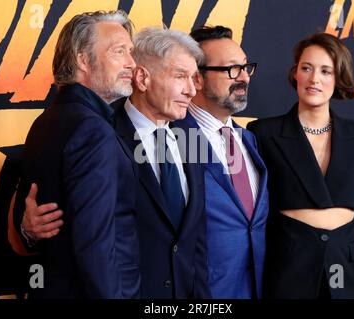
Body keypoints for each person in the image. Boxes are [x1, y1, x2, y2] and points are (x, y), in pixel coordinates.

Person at [19, 27, 210, 299]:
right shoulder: (98, 131)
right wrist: (27, 229)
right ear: (142, 78)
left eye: (194, 78)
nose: (192, 90)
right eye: (181, 76)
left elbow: (196, 242)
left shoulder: (191, 137)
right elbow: (70, 226)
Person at [247, 32, 354, 298]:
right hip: (289, 271)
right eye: (307, 68)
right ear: (295, 74)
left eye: (326, 71)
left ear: (338, 78)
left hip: (344, 270)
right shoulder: (263, 133)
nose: (315, 79)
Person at [13, 10, 140, 298]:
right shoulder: (91, 129)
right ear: (83, 59)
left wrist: (26, 230)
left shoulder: (46, 121)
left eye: (130, 52)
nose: (132, 63)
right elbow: (95, 244)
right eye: (120, 52)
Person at [173, 26, 269, 298]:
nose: (243, 78)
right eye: (231, 69)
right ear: (197, 79)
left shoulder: (250, 140)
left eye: (246, 67)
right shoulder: (170, 139)